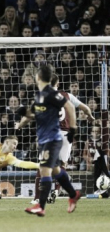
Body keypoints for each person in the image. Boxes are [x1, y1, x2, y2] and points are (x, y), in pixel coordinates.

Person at [16, 65, 80, 216]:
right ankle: (73, 194)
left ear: (38, 77)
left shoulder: (52, 93)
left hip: (53, 138)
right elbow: (35, 115)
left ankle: (40, 205)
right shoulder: (40, 95)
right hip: (44, 138)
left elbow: (70, 106)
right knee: (56, 170)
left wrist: (73, 129)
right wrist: (22, 119)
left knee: (44, 170)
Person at [31, 74, 95, 204]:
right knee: (63, 164)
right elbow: (86, 108)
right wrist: (90, 116)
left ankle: (37, 197)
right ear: (58, 83)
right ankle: (57, 189)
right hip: (66, 134)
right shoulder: (68, 96)